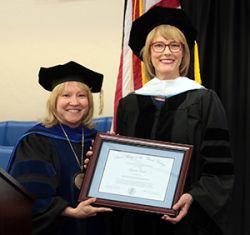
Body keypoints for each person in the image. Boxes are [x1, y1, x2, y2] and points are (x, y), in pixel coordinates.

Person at [113, 7, 234, 235]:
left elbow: (219, 167)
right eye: (158, 45)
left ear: (183, 52)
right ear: (148, 53)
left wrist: (194, 197)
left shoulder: (204, 100)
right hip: (139, 220)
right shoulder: (129, 105)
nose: (166, 52)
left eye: (174, 45)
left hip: (186, 219)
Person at [7, 61, 112, 235]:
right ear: (54, 101)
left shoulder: (98, 140)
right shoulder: (36, 141)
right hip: (55, 228)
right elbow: (28, 196)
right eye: (66, 95)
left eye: (81, 95)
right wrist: (70, 211)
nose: (74, 102)